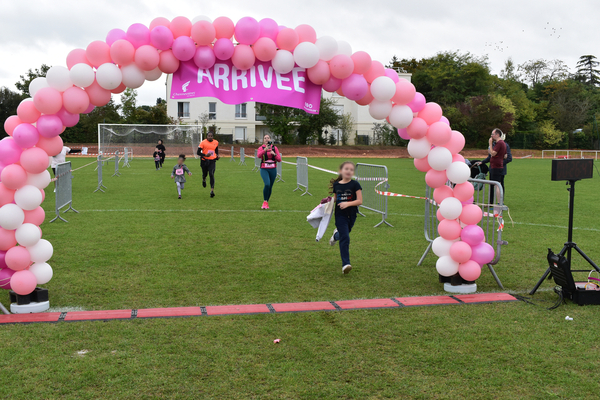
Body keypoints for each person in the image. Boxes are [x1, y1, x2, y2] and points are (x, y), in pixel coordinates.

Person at [328, 161, 363, 274]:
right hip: (340, 215)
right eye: (346, 169)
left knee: (344, 234)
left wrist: (347, 204)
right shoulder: (337, 185)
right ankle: (346, 264)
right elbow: (335, 198)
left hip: (352, 215)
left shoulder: (355, 184)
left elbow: (360, 201)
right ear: (341, 171)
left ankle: (335, 235)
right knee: (346, 238)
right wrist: (327, 202)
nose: (349, 171)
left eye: (351, 169)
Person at [475, 128, 506, 205]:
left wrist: (490, 144)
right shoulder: (502, 143)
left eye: (492, 134)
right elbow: (505, 155)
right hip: (496, 166)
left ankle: (499, 203)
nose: (491, 136)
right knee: (496, 184)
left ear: (497, 135)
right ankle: (497, 202)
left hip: (496, 167)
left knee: (497, 185)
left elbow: (493, 154)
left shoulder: (499, 143)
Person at [257, 134, 282, 209]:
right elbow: (258, 156)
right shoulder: (261, 148)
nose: (266, 139)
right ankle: (264, 201)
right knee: (267, 184)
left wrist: (274, 154)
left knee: (270, 186)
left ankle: (266, 202)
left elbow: (279, 159)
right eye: (265, 138)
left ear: (270, 139)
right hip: (264, 168)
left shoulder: (274, 148)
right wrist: (265, 150)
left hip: (273, 169)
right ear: (263, 140)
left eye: (268, 138)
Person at [197, 132, 220, 198]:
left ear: (213, 136)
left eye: (211, 136)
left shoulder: (216, 142)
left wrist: (217, 156)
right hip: (204, 161)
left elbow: (216, 151)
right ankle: (204, 179)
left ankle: (212, 191)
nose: (210, 137)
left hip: (212, 161)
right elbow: (198, 152)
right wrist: (205, 155)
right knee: (205, 174)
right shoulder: (203, 142)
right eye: (209, 136)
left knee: (211, 174)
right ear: (207, 136)